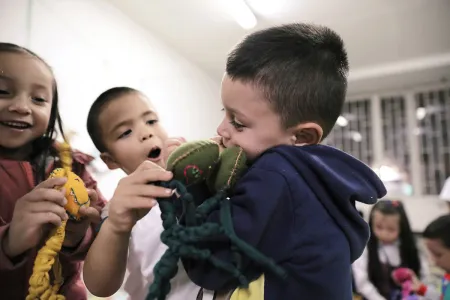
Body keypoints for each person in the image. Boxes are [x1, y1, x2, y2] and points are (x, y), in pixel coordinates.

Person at [178, 23, 386, 299]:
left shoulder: (277, 176)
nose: (221, 130)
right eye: (224, 113)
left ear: (302, 136)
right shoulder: (314, 181)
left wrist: (190, 184)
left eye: (238, 122)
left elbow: (209, 265)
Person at [0, 42, 105, 299]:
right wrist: (9, 241)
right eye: (3, 91)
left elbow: (106, 239)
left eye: (38, 99)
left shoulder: (72, 164)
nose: (22, 107)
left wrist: (78, 235)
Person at [83, 87, 206, 299]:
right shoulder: (119, 208)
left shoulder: (199, 176)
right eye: (125, 132)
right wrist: (116, 227)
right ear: (111, 160)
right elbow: (100, 287)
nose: (147, 133)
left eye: (151, 121)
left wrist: (201, 177)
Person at [352, 200, 430, 300]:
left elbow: (424, 277)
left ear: (402, 227)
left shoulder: (412, 249)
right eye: (379, 227)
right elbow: (362, 283)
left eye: (391, 229)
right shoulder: (365, 250)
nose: (384, 234)